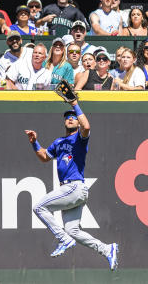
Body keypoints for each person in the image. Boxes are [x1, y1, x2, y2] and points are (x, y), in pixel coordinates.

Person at [25, 100, 119, 270]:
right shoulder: (59, 141)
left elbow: (87, 127)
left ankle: (63, 239)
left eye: (74, 117)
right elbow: (45, 157)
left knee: (39, 207)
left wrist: (75, 104)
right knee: (73, 231)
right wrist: (34, 142)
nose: (70, 119)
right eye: (67, 117)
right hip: (71, 191)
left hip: (74, 187)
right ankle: (107, 249)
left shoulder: (79, 138)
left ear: (78, 121)